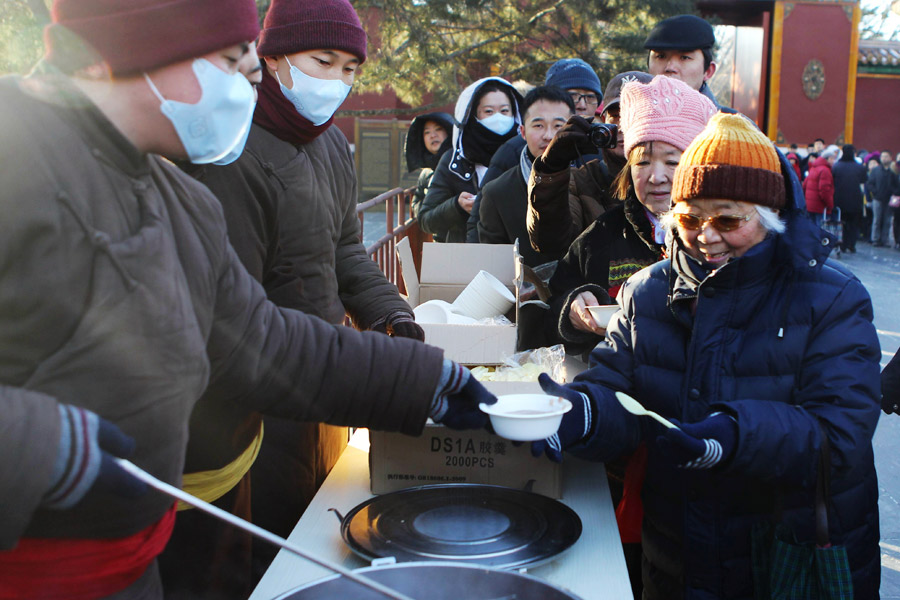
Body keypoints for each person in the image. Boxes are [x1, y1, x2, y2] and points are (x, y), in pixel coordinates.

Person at [0, 1, 496, 598]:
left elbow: (260, 340)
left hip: (128, 561)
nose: (248, 86)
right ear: (145, 46)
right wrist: (40, 444)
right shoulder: (15, 156)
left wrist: (423, 382)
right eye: (234, 63)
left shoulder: (176, 198)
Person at [531, 112, 881, 598]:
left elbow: (841, 433)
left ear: (771, 216)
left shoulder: (832, 298)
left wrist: (736, 435)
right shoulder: (647, 294)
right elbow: (619, 396)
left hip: (785, 552)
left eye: (728, 218)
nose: (706, 235)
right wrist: (583, 415)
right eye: (691, 217)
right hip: (677, 552)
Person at [546, 75, 716, 356]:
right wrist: (572, 311)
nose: (656, 177)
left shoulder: (720, 239)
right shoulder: (602, 235)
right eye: (643, 162)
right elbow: (552, 308)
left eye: (672, 161)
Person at [465, 58, 603, 242]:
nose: (582, 104)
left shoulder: (596, 160)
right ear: (522, 130)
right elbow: (480, 232)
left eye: (590, 97)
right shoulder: (507, 160)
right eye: (574, 95)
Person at [526, 71, 654, 259]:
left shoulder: (673, 178)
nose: (623, 126)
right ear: (603, 122)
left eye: (637, 114)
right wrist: (551, 168)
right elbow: (549, 241)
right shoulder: (580, 180)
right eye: (616, 115)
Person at [477, 86, 575, 267]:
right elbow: (494, 269)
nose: (549, 136)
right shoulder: (497, 194)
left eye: (558, 126)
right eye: (538, 125)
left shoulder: (591, 179)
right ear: (522, 131)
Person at [419, 77, 522, 242]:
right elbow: (426, 220)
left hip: (514, 258)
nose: (498, 118)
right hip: (465, 258)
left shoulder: (524, 156)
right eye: (488, 111)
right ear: (473, 114)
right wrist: (457, 207)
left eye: (504, 111)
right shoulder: (453, 161)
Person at [643, 14, 721, 108]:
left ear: (708, 71)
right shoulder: (627, 118)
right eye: (661, 56)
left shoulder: (730, 122)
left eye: (684, 57)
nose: (670, 67)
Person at [406, 112, 453, 219]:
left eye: (438, 129)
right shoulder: (426, 172)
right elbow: (416, 203)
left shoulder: (460, 165)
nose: (433, 135)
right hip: (435, 232)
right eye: (427, 132)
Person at [832, 143, 867, 253]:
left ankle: (842, 244)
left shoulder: (836, 166)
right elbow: (863, 181)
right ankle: (851, 244)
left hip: (839, 199)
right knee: (853, 224)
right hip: (855, 200)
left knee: (841, 222)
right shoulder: (859, 167)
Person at [868, 150, 898, 246]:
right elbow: (870, 184)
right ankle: (875, 239)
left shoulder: (892, 172)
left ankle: (885, 240)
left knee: (887, 221)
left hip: (889, 199)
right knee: (877, 220)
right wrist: (875, 192)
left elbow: (896, 185)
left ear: (890, 158)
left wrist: (893, 193)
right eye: (882, 156)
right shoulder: (876, 171)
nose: (884, 158)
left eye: (886, 156)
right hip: (877, 198)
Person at [802, 144, 837, 226]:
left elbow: (804, 186)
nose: (833, 162)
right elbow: (824, 190)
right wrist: (830, 205)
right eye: (833, 159)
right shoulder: (825, 171)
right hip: (820, 207)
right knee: (820, 232)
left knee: (811, 231)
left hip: (810, 206)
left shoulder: (813, 168)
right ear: (828, 158)